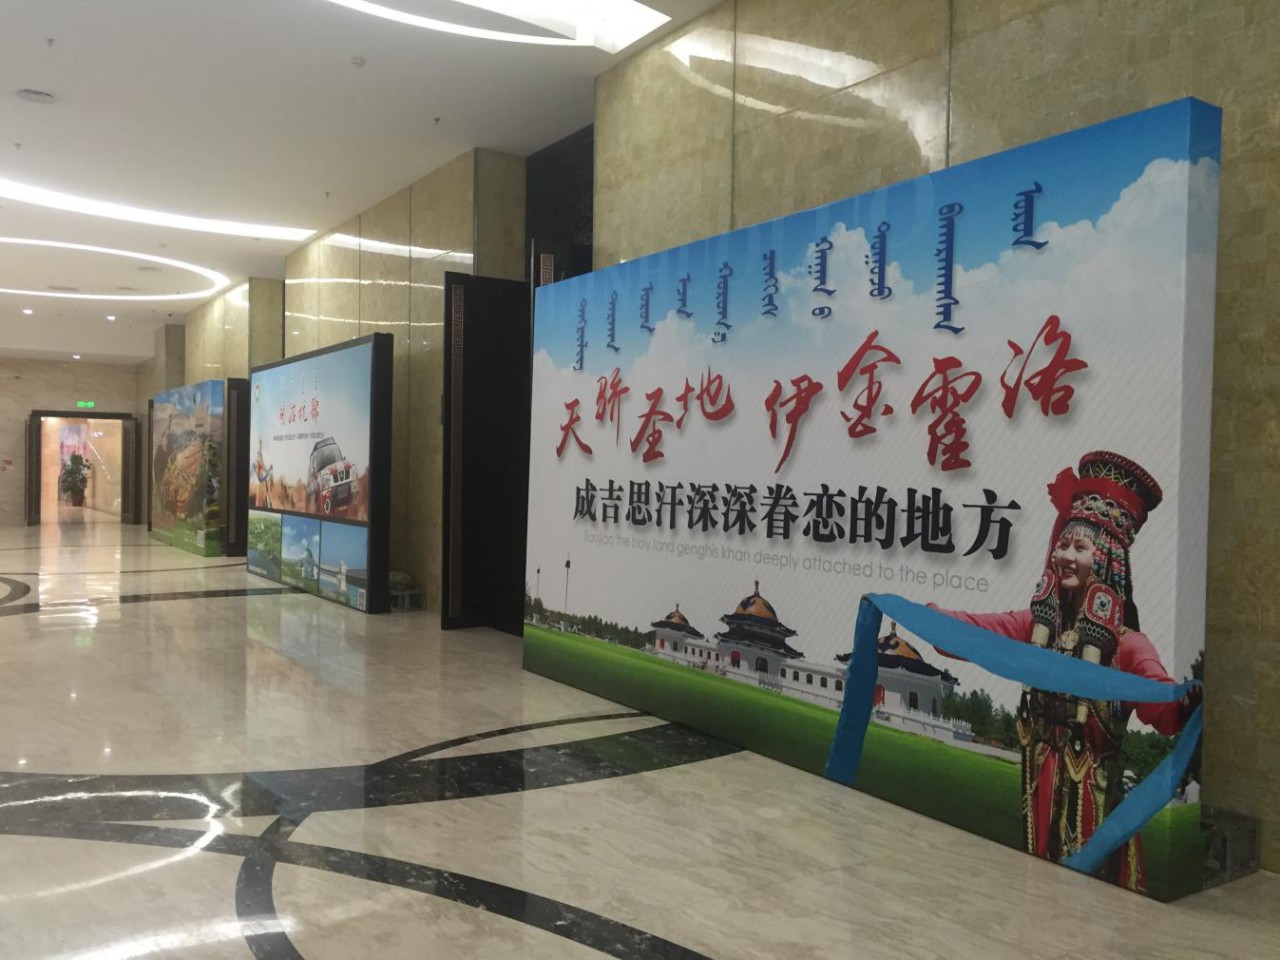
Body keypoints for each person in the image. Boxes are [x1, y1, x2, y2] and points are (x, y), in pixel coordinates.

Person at [932, 451, 1199, 892]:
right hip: (1039, 787)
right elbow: (975, 632)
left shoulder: (1128, 645)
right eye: (1063, 544)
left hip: (1095, 802)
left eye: (1080, 547)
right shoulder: (1038, 626)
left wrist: (1186, 701)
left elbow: (1163, 707)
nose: (1064, 556)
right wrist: (927, 617)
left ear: (1107, 559)